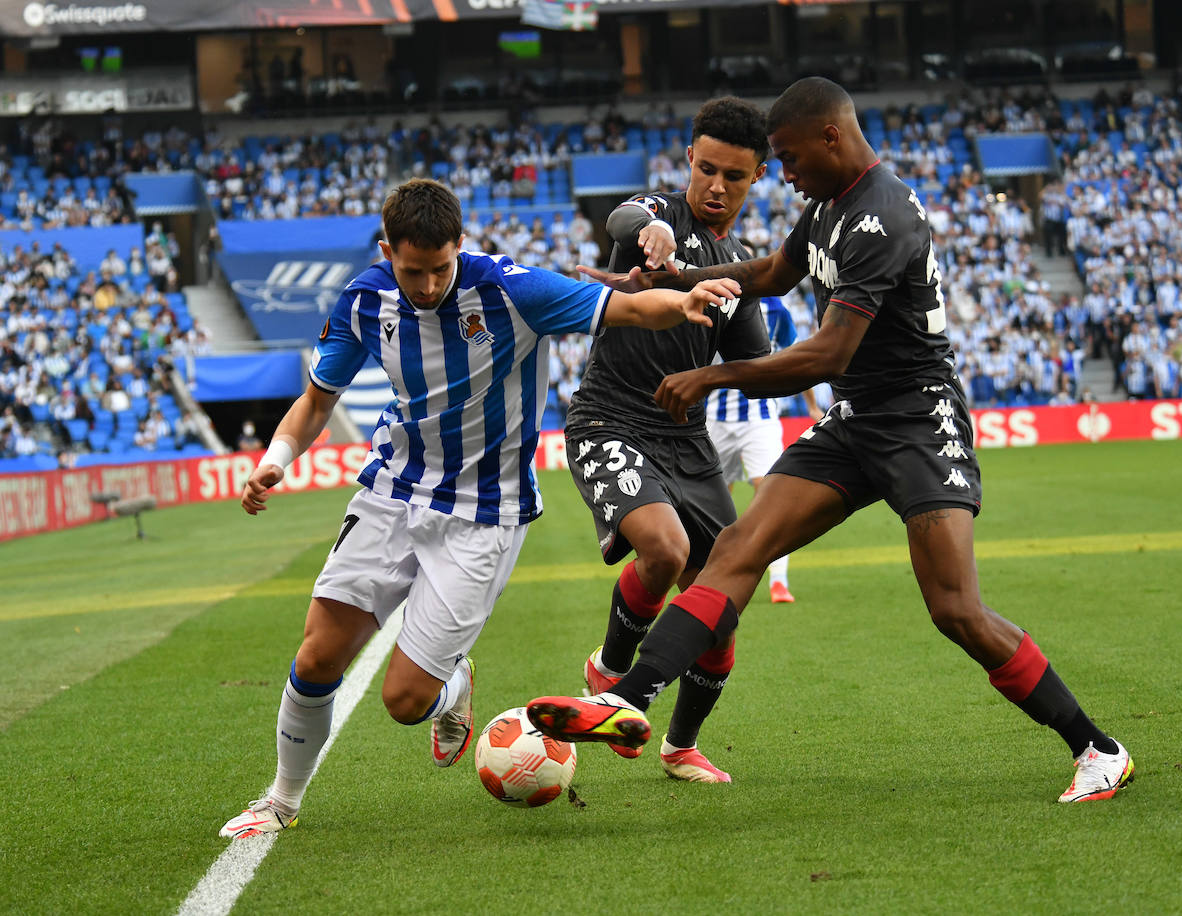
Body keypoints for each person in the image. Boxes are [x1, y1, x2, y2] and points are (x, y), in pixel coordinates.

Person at [528, 78, 1133, 804]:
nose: (781, 173)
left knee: (955, 611)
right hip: (856, 419)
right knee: (737, 550)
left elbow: (828, 354)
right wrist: (685, 279)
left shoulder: (882, 217)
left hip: (916, 421)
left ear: (830, 139)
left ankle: (1098, 749)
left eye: (784, 157)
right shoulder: (827, 207)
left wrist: (714, 378)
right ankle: (629, 698)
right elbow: (768, 274)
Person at [218, 178, 740, 840]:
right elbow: (319, 399)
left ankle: (451, 686)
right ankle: (282, 801)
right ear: (387, 252)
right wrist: (277, 457)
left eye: (441, 268)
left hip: (484, 515)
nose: (429, 285)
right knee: (319, 655)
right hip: (393, 493)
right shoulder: (364, 299)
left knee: (404, 703)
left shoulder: (510, 291)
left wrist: (683, 299)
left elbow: (628, 309)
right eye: (414, 270)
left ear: (460, 247)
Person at [563, 97, 772, 784]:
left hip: (688, 445)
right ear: (688, 160)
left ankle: (679, 745)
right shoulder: (657, 214)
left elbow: (754, 363)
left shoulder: (740, 266)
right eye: (706, 169)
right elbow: (627, 219)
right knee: (666, 546)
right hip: (610, 421)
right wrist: (650, 233)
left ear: (756, 177)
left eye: (733, 177)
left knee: (723, 606)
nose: (716, 186)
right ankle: (611, 670)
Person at [703, 293, 823, 604]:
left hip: (762, 418)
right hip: (716, 418)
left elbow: (795, 353)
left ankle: (778, 581)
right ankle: (711, 573)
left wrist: (811, 405)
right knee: (711, 500)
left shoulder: (776, 309)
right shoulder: (712, 303)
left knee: (771, 496)